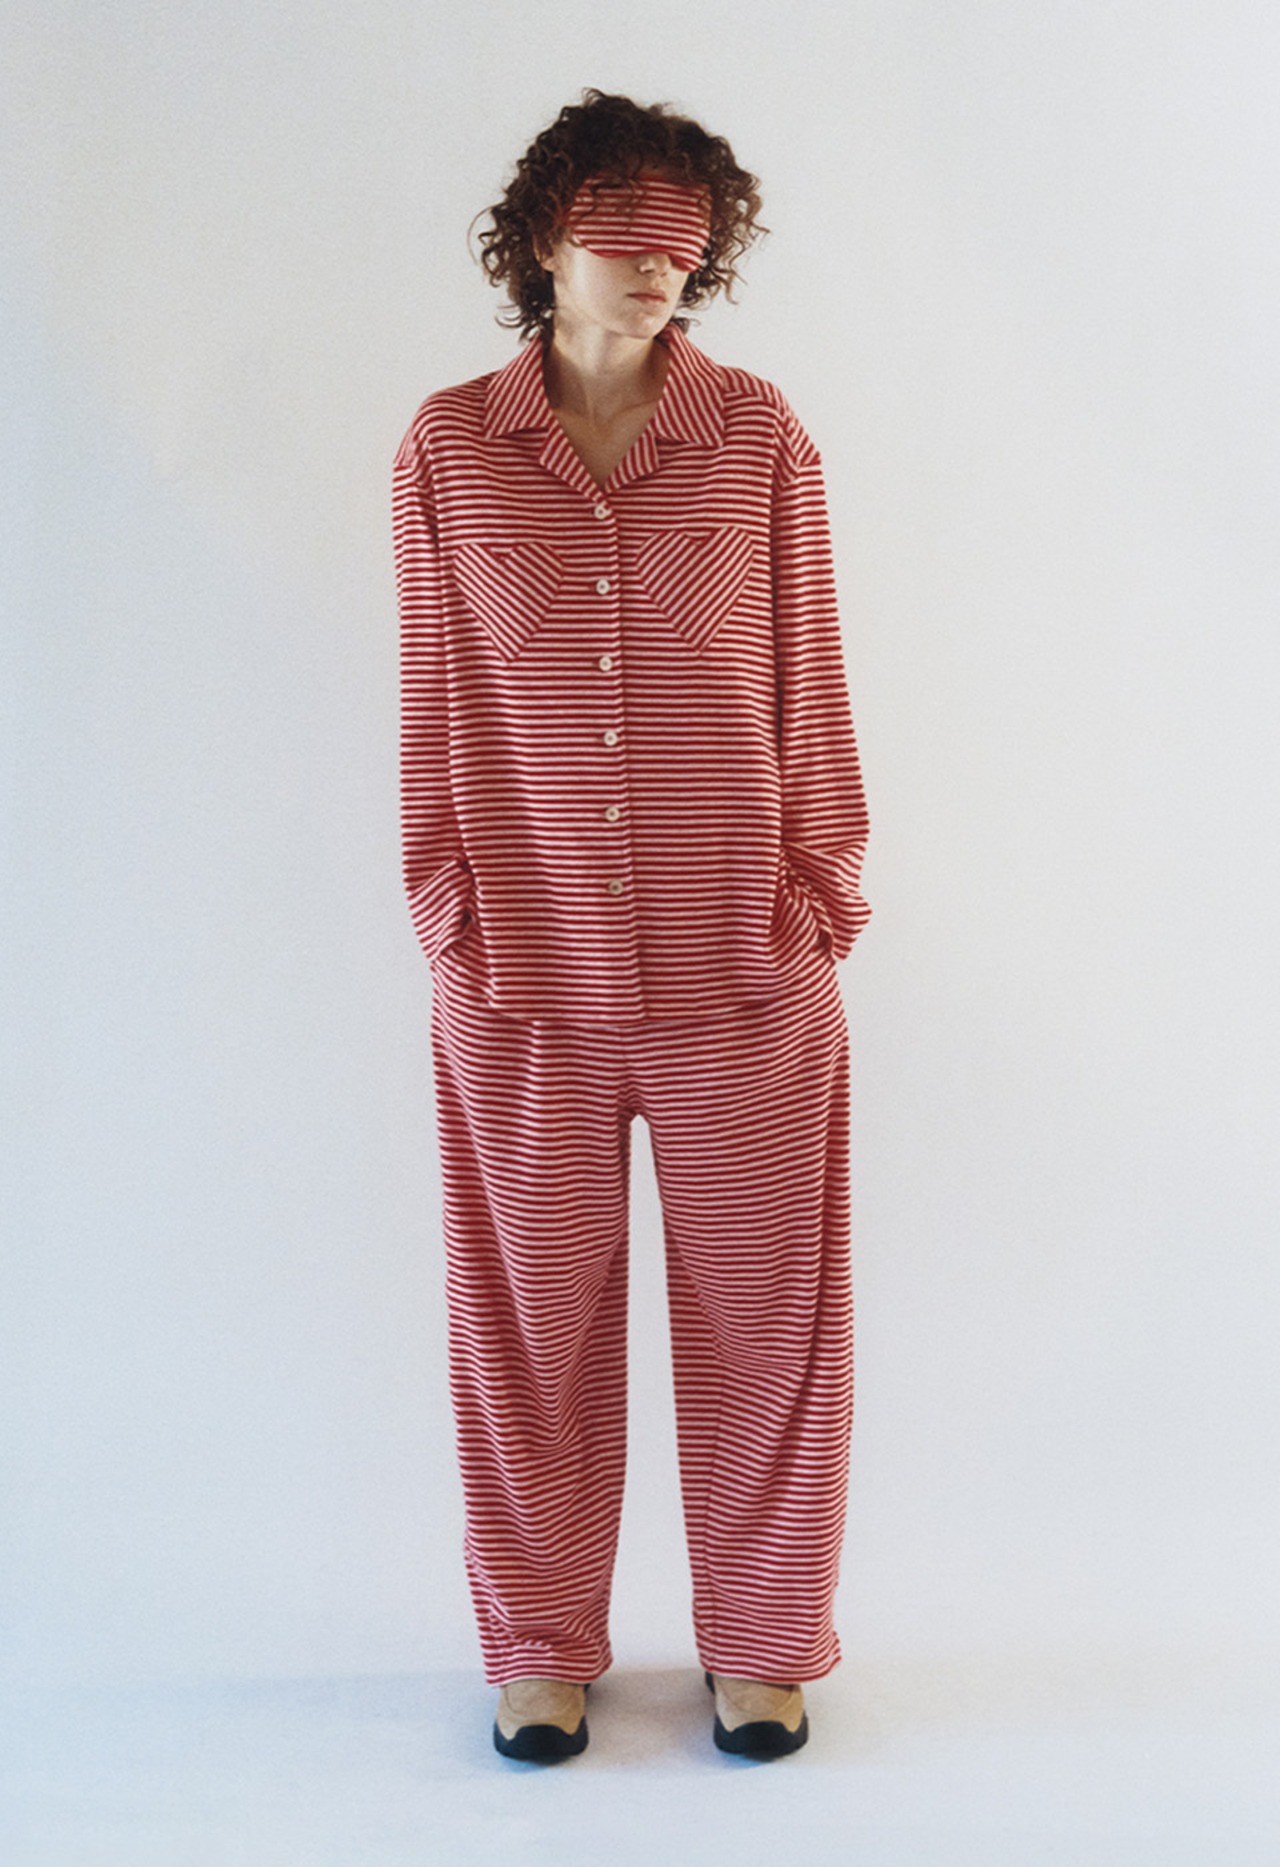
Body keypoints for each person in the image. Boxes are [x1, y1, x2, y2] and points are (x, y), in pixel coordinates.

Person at [393, 89, 871, 1764]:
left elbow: (808, 666)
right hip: (518, 972)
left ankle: (762, 1641)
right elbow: (432, 687)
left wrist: (821, 887)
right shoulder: (451, 447)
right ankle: (538, 1643)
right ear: (544, 239)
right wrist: (445, 899)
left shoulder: (759, 438)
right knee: (529, 1326)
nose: (661, 260)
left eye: (687, 235)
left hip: (746, 966)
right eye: (622, 229)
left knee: (768, 1326)